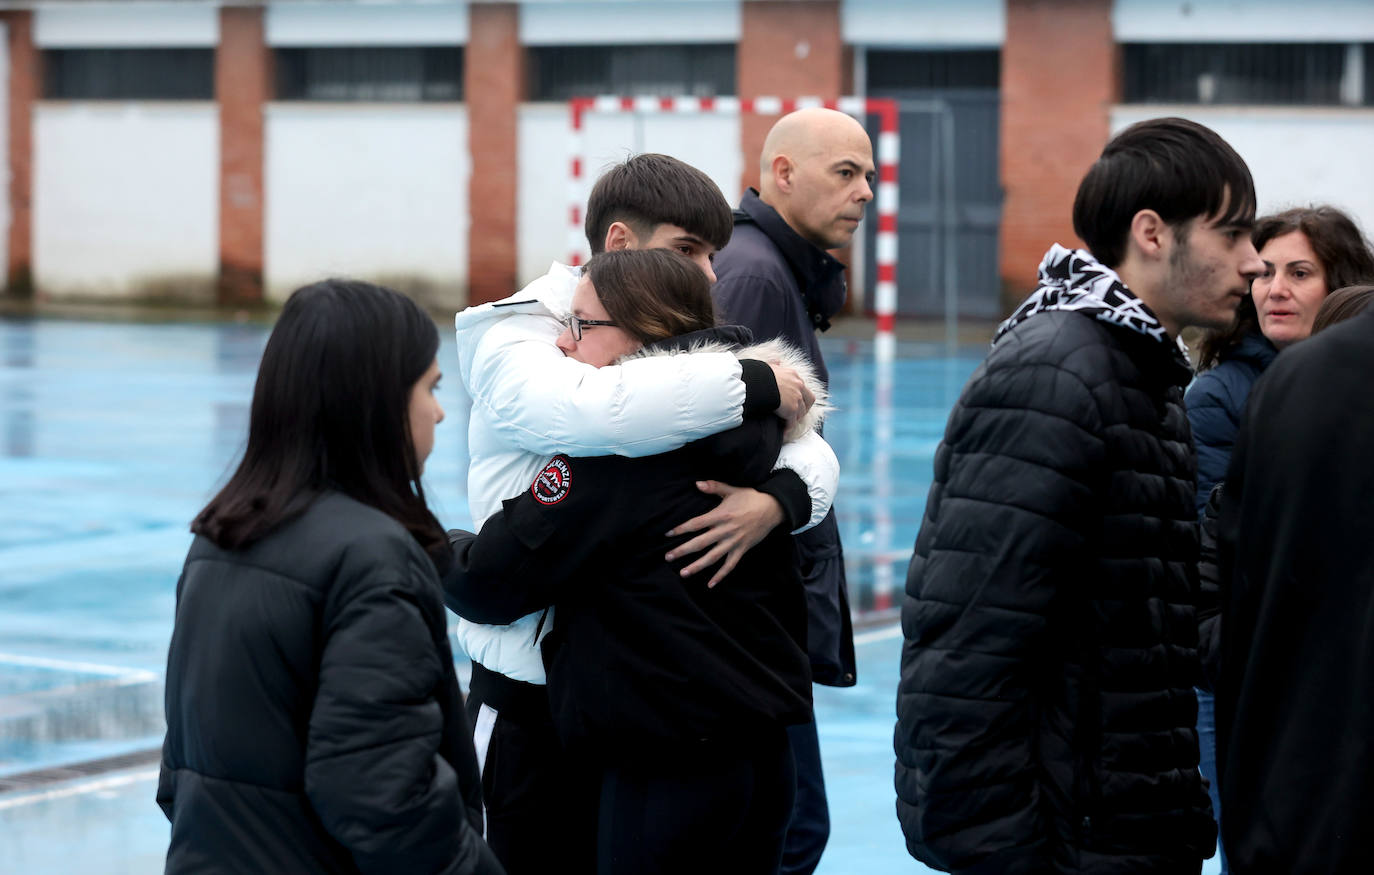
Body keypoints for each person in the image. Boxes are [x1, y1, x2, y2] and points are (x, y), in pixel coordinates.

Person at [896, 116, 1265, 874]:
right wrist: (1006, 852)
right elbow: (969, 642)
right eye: (1233, 235)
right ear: (1152, 233)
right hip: (1069, 841)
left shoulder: (1141, 373)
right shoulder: (1058, 375)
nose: (1254, 262)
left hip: (1122, 823)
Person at [451, 153, 839, 873]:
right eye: (689, 252)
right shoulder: (525, 342)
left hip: (642, 726)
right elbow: (596, 409)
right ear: (622, 244)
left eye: (711, 255)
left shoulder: (639, 443)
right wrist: (758, 388)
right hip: (554, 705)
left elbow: (492, 578)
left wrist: (779, 500)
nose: (711, 276)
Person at [157, 280, 501, 874]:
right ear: (374, 404)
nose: (440, 411)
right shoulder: (371, 558)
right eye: (430, 388)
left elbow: (179, 775)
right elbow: (385, 797)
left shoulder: (218, 537)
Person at [1185, 205, 1374, 872]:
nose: (1275, 289)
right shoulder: (1222, 396)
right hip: (1249, 666)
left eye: (1299, 272)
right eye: (1265, 273)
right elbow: (1216, 551)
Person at [711, 106, 873, 873]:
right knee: (790, 829)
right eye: (846, 172)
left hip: (762, 607)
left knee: (788, 825)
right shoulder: (755, 276)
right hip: (748, 615)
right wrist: (776, 502)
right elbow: (721, 438)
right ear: (783, 173)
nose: (865, 191)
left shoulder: (781, 272)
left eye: (868, 175)